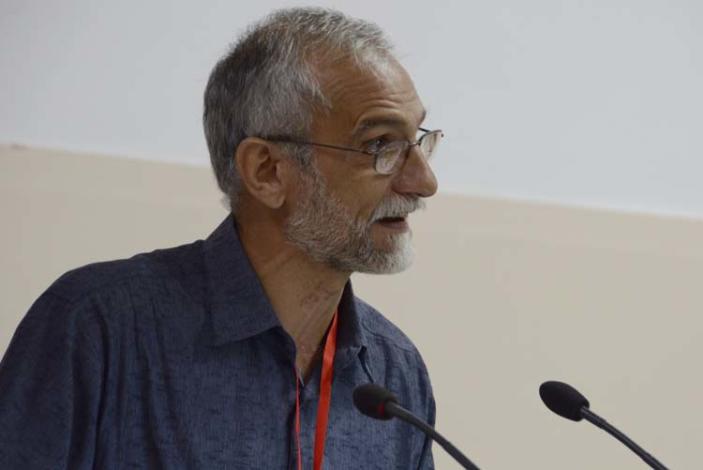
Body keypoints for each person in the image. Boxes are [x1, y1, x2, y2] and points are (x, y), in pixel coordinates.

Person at [0, 7, 442, 469]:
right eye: (380, 146)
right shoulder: (100, 328)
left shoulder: (397, 372)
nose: (424, 181)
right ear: (267, 171)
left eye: (418, 141)